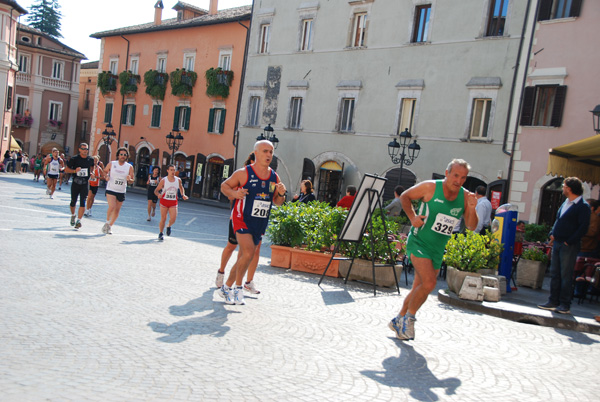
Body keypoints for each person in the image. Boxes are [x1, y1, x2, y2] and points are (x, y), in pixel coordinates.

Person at [388, 159, 478, 341]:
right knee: (429, 283)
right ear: (447, 173)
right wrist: (412, 217)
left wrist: (471, 208)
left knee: (418, 287)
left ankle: (398, 319)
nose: (458, 181)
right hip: (419, 242)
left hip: (437, 248)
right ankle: (409, 320)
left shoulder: (466, 196)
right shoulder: (430, 187)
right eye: (455, 175)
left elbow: (471, 226)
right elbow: (404, 196)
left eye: (463, 177)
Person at [218, 140, 286, 305]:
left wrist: (282, 194)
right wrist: (235, 194)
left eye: (271, 151)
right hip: (241, 218)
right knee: (248, 252)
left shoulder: (274, 176)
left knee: (245, 256)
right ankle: (235, 287)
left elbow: (277, 201)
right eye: (265, 151)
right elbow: (224, 186)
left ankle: (227, 288)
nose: (269, 155)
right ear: (256, 153)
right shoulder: (243, 173)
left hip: (259, 222)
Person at [537, 177, 590, 315]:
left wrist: (569, 241)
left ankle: (565, 304)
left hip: (568, 245)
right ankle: (553, 301)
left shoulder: (582, 206)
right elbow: (558, 220)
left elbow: (583, 228)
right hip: (558, 242)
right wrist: (552, 233)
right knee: (555, 273)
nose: (562, 188)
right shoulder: (565, 203)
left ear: (570, 189)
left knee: (566, 275)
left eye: (564, 186)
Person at [215, 153, 262, 295]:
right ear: (253, 161)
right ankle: (221, 272)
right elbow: (228, 193)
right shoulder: (243, 175)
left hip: (255, 220)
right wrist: (237, 193)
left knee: (251, 251)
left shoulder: (266, 177)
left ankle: (246, 282)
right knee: (231, 246)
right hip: (238, 218)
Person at [102, 147, 134, 235]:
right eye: (121, 154)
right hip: (111, 189)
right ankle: (107, 222)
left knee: (117, 210)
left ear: (127, 156)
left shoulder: (129, 167)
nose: (123, 156)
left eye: (124, 155)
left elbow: (132, 180)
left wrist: (129, 179)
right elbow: (104, 171)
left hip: (121, 190)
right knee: (112, 206)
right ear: (118, 155)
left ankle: (110, 226)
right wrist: (106, 176)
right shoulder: (112, 164)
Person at [63, 143, 95, 230]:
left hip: (85, 183)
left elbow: (92, 167)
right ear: (79, 149)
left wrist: (91, 173)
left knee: (83, 202)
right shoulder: (74, 159)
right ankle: (73, 215)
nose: (85, 150)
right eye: (83, 149)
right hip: (76, 183)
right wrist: (74, 171)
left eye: (86, 149)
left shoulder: (90, 159)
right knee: (73, 201)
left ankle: (79, 220)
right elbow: (66, 169)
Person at [155, 164, 188, 240]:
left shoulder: (178, 180)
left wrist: (183, 194)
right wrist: (158, 194)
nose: (173, 172)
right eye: (171, 170)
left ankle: (169, 225)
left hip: (173, 201)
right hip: (164, 201)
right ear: (167, 171)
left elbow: (181, 187)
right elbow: (156, 190)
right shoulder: (164, 180)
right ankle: (161, 233)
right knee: (163, 218)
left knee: (173, 218)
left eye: (174, 170)